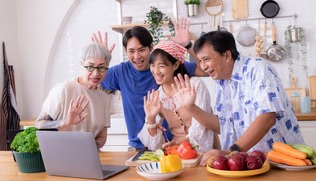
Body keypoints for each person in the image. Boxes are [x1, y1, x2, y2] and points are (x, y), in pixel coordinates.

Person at [184, 30, 305, 165]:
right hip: (248, 164)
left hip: (281, 162)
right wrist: (189, 107)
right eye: (200, 61)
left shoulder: (257, 68)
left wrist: (230, 151)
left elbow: (267, 117)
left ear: (227, 56)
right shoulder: (221, 81)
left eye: (206, 59)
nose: (203, 66)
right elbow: (223, 127)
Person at [93, 19, 206, 150]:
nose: (137, 56)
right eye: (131, 51)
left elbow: (205, 70)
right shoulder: (120, 71)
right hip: (137, 146)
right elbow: (93, 84)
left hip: (168, 144)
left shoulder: (166, 67)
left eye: (141, 50)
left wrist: (188, 46)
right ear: (125, 50)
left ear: (151, 47)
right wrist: (102, 60)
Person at [137, 40, 220, 152]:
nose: (156, 71)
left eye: (161, 66)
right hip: (177, 153)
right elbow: (154, 147)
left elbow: (202, 129)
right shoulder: (158, 96)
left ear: (175, 65)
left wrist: (179, 144)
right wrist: (150, 119)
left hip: (204, 153)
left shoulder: (194, 85)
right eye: (152, 65)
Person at [35, 43, 112, 150]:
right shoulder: (64, 89)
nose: (96, 73)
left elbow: (102, 137)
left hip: (89, 157)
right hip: (59, 155)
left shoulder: (104, 98)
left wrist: (86, 150)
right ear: (81, 65)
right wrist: (67, 122)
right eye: (90, 67)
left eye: (101, 67)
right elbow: (39, 124)